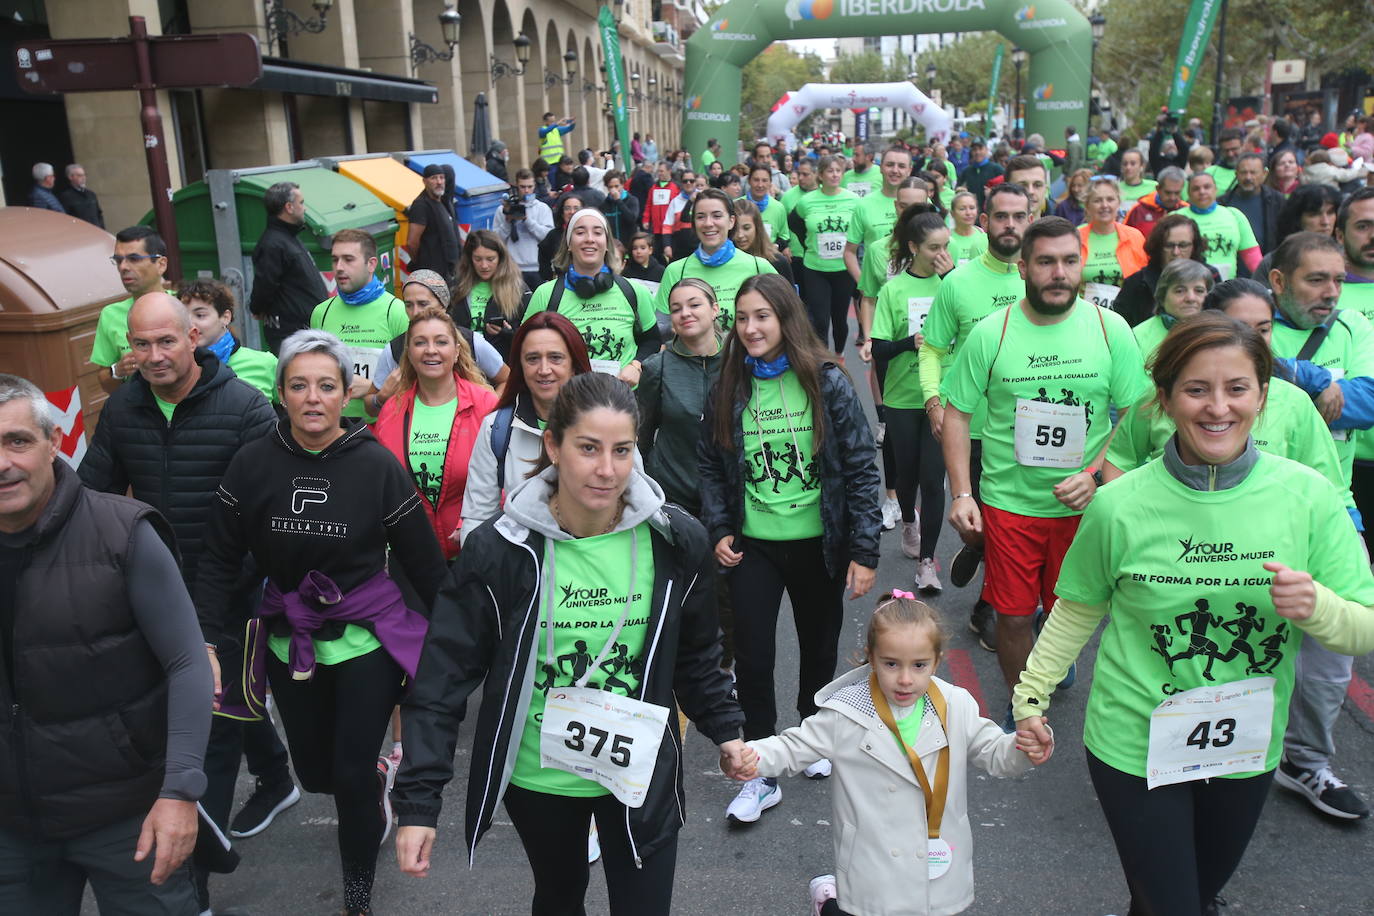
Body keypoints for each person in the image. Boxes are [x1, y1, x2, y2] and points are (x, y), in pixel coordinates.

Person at [1013, 311, 1374, 916]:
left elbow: (1363, 623)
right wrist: (1031, 696)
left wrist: (1318, 608)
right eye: (1197, 389)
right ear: (1166, 399)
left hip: (1245, 745)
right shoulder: (1118, 505)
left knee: (1184, 897)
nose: (1217, 408)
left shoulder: (1307, 496)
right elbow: (1076, 610)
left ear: (1263, 395)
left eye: (1237, 389)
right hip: (1133, 740)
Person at [393, 372, 748, 914]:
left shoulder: (677, 541)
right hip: (541, 776)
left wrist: (725, 730)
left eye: (621, 450)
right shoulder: (499, 550)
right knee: (559, 897)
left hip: (639, 770)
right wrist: (418, 805)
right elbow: (442, 678)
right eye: (588, 448)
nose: (606, 470)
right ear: (553, 446)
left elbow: (696, 655)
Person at [194, 330, 447, 916]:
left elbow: (426, 565)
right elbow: (218, 560)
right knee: (316, 772)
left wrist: (453, 641)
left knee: (352, 770)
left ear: (346, 394)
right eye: (299, 385)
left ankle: (356, 892)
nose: (313, 398)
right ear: (280, 393)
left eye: (326, 386)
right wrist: (207, 637)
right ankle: (368, 792)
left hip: (367, 639)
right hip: (288, 638)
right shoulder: (252, 462)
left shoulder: (376, 464)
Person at [75, 294, 284, 913]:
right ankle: (276, 776)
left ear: (194, 337)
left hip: (229, 603)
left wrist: (223, 591)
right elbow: (94, 499)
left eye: (166, 342)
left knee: (208, 744)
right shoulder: (122, 410)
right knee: (181, 726)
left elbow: (267, 520)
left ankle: (193, 889)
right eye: (141, 345)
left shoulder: (246, 408)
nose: (155, 356)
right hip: (149, 602)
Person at [0, 374, 212, 914]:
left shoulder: (123, 533)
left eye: (17, 442)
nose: (2, 463)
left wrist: (180, 792)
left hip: (129, 817)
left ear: (54, 443)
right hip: (12, 832)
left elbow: (188, 661)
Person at [941, 216, 1147, 728]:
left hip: (1083, 506)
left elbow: (1135, 415)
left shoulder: (1109, 327)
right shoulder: (994, 332)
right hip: (1010, 502)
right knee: (1012, 614)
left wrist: (1097, 473)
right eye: (1046, 262)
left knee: (1068, 611)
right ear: (1023, 267)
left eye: (1069, 261)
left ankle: (1053, 659)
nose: (1059, 273)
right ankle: (1023, 702)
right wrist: (963, 493)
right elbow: (958, 414)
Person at [699, 273, 882, 821]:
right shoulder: (729, 382)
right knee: (752, 656)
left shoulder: (826, 380)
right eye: (744, 317)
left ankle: (812, 730)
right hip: (754, 547)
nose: (751, 328)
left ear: (784, 319)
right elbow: (711, 463)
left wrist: (865, 550)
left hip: (819, 544)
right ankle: (761, 767)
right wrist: (718, 528)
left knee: (818, 645)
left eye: (763, 316)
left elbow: (859, 467)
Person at [740, 593, 1043, 916]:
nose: (905, 679)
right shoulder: (846, 713)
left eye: (919, 665)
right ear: (871, 658)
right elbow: (792, 747)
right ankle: (829, 904)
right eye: (891, 664)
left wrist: (1023, 748)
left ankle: (829, 903)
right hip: (872, 863)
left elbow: (995, 753)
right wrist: (749, 755)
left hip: (935, 859)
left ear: (937, 661)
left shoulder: (956, 705)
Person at [1266, 232, 1374, 821]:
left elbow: (1370, 400)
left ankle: (1305, 760)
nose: (1331, 292)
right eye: (1316, 280)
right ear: (1279, 282)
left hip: (1335, 509)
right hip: (1251, 519)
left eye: (1337, 279)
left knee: (1332, 652)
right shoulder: (1254, 318)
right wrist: (1315, 380)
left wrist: (1318, 389)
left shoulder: (1356, 325)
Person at [1106, 280, 1353, 525]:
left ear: (1262, 396)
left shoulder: (1295, 402)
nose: (1218, 409)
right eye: (1238, 327)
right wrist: (1129, 520)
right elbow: (1119, 459)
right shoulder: (1163, 395)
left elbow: (1330, 490)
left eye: (1263, 329)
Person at [918, 183, 1034, 652]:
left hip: (1032, 427)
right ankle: (985, 562)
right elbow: (931, 348)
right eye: (1000, 216)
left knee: (1017, 524)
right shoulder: (958, 283)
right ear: (984, 222)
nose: (1010, 225)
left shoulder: (1042, 280)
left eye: (1019, 216)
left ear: (1031, 219)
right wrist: (933, 402)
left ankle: (989, 600)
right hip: (973, 427)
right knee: (993, 522)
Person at [459, 312, 599, 545]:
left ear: (574, 364)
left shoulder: (607, 424)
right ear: (520, 367)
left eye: (555, 358)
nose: (544, 369)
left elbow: (631, 504)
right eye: (533, 359)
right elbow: (478, 516)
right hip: (523, 567)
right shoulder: (496, 429)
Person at [375, 306, 498, 561]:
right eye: (420, 343)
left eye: (441, 342)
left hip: (475, 552)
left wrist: (477, 522)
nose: (431, 350)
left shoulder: (486, 404)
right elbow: (383, 484)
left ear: (456, 352)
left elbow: (508, 478)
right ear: (409, 354)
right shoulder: (392, 410)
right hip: (413, 556)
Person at [871, 209, 952, 593]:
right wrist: (911, 342)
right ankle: (908, 519)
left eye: (946, 247)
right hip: (902, 396)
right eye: (934, 248)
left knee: (934, 479)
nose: (942, 254)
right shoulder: (894, 290)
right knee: (907, 475)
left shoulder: (953, 285)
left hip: (943, 396)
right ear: (914, 247)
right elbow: (881, 349)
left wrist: (952, 278)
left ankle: (926, 564)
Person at [524, 208, 661, 383]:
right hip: (566, 400)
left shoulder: (634, 291)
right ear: (569, 243)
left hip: (622, 401)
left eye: (597, 232)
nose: (590, 239)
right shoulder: (546, 295)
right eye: (580, 232)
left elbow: (652, 340)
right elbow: (526, 347)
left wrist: (636, 365)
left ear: (606, 244)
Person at [368, 270, 508, 417]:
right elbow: (370, 408)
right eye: (408, 305)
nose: (415, 312)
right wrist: (380, 399)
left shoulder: (472, 341)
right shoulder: (395, 348)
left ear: (443, 305)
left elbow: (507, 380)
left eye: (423, 304)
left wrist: (489, 413)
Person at [310, 228, 409, 422]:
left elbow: (414, 379)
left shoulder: (397, 312)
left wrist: (373, 387)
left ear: (371, 264)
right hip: (333, 426)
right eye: (335, 259)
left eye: (348, 259)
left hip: (381, 424)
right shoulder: (321, 313)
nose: (339, 267)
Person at [654, 189, 778, 335]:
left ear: (731, 221)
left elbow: (787, 317)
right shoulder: (675, 271)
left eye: (717, 216)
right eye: (701, 217)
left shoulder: (759, 267)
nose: (708, 223)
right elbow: (662, 327)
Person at [90, 226, 179, 395]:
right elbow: (105, 382)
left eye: (134, 259)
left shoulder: (185, 305)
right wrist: (117, 370)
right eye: (118, 260)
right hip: (140, 414)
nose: (123, 267)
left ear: (161, 264)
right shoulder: (110, 314)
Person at [844, 146, 917, 338]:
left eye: (901, 166)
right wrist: (864, 283)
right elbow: (849, 252)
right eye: (890, 164)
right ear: (880, 167)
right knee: (878, 355)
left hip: (915, 293)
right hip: (877, 296)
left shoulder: (923, 203)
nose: (895, 170)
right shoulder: (864, 205)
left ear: (910, 170)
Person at [249, 180, 329, 355]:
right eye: (301, 203)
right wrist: (257, 307)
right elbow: (265, 284)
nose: (304, 208)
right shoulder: (273, 244)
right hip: (293, 334)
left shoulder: (289, 238)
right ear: (289, 207)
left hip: (307, 332)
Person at [790, 154, 861, 350]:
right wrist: (808, 243)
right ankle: (823, 360)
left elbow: (860, 228)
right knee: (820, 320)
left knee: (840, 319)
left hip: (843, 268)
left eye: (838, 170)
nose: (835, 175)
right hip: (815, 268)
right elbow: (794, 222)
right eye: (830, 171)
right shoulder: (807, 201)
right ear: (820, 175)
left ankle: (838, 355)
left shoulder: (853, 200)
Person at [179, 279, 279, 401]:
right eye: (183, 317)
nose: (190, 324)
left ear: (225, 317)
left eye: (200, 315)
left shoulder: (266, 364)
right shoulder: (176, 369)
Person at [1115, 213, 1211, 327]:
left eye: (1183, 245)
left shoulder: (1211, 276)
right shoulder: (1136, 283)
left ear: (1194, 246)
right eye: (1169, 245)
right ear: (1159, 246)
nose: (1176, 252)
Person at [1077, 178, 1148, 313]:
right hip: (1085, 315)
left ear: (1118, 203)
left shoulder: (1135, 237)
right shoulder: (1075, 236)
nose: (1104, 205)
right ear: (1087, 206)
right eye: (1097, 200)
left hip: (1127, 314)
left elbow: (1145, 279)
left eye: (1110, 199)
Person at [1253, 184, 1343, 286]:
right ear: (1297, 219)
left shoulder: (1349, 258)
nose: (1325, 222)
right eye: (1314, 214)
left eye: (1330, 213)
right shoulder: (1274, 261)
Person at [1129, 258, 1215, 363]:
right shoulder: (1136, 338)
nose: (1191, 298)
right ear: (1163, 295)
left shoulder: (1219, 333)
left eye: (1199, 291)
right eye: (1180, 291)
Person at [1184, 172, 1260, 282]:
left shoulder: (1234, 215)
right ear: (1188, 193)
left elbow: (1251, 254)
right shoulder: (1177, 218)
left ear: (1216, 190)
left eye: (1207, 187)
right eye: (1196, 189)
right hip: (1189, 286)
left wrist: (1266, 283)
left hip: (1227, 289)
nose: (1202, 192)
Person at [493, 168, 556, 293]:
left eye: (529, 186)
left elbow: (548, 237)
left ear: (534, 186)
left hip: (537, 268)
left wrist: (528, 221)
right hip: (512, 268)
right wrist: (507, 222)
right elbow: (495, 241)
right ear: (516, 186)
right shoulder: (503, 209)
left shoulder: (542, 209)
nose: (526, 190)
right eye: (522, 187)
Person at [1220, 153, 1283, 253]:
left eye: (1253, 172)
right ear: (1236, 174)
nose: (1248, 177)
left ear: (1265, 174)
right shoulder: (1222, 204)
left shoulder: (1277, 201)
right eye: (1243, 172)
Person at [406, 164, 460, 282]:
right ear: (425, 181)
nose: (439, 182)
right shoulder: (421, 205)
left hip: (448, 273)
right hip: (432, 275)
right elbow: (412, 242)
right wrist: (422, 262)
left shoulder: (443, 202)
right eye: (434, 178)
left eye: (441, 177)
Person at [732, 198, 794, 284]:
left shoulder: (778, 262)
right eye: (735, 229)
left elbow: (789, 296)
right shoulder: (726, 262)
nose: (740, 235)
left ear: (757, 227)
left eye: (746, 228)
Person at [741, 163, 791, 254]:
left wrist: (776, 246)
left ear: (770, 183)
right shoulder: (737, 205)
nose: (760, 185)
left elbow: (784, 236)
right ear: (749, 181)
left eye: (764, 180)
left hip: (769, 258)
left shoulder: (778, 207)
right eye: (756, 180)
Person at [1124, 165, 1187, 238]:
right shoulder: (1138, 210)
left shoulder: (1186, 210)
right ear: (1158, 189)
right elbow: (1124, 238)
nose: (1172, 197)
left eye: (1177, 193)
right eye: (1168, 193)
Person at [540, 194, 585, 282]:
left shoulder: (590, 234)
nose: (572, 212)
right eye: (567, 208)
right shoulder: (553, 235)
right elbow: (543, 257)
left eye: (576, 208)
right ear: (562, 213)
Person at [642, 161, 680, 260]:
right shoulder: (653, 188)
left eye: (662, 171)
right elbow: (648, 205)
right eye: (659, 171)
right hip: (656, 228)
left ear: (669, 171)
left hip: (670, 229)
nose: (660, 173)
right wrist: (646, 219)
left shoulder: (675, 187)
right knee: (656, 255)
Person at [600, 170, 642, 248]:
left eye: (616, 186)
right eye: (610, 187)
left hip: (629, 246)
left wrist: (618, 201)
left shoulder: (632, 200)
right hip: (612, 247)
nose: (614, 190)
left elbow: (631, 219)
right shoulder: (604, 205)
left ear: (622, 185)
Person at [946, 191, 988, 266]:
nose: (968, 213)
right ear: (952, 213)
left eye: (972, 208)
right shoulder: (946, 238)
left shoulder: (984, 236)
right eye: (962, 209)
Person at [58, 163, 103, 227]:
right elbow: (66, 219)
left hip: (97, 232)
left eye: (84, 175)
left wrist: (102, 229)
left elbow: (99, 214)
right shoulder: (66, 197)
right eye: (79, 175)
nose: (83, 178)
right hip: (81, 233)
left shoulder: (91, 194)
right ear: (70, 177)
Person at [962, 139, 1003, 210]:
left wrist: (994, 192)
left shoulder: (996, 169)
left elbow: (1008, 188)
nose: (977, 152)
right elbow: (959, 188)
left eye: (980, 149)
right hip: (971, 213)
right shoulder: (966, 171)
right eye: (974, 149)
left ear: (986, 150)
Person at [1205, 128, 1244, 195]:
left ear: (1243, 147)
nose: (1230, 154)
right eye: (1226, 150)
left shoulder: (1258, 171)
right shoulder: (1210, 173)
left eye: (1234, 149)